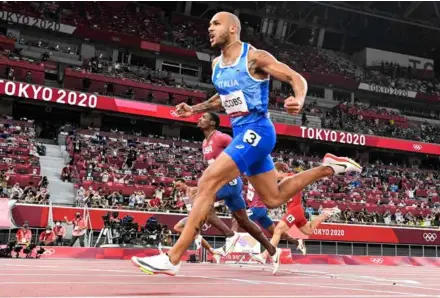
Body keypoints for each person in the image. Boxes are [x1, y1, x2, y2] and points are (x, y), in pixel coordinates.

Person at [131, 11, 362, 275]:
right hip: (243, 134)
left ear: (233, 29)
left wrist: (299, 98)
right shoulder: (217, 64)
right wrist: (195, 109)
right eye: (209, 24)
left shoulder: (254, 57)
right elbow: (223, 97)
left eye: (216, 23)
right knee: (273, 199)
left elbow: (296, 78)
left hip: (259, 131)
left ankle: (172, 259)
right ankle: (329, 168)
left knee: (208, 181)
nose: (210, 28)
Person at [253, 162, 340, 273]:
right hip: (296, 210)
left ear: (282, 172)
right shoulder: (285, 179)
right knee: (308, 230)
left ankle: (265, 255)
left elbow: (275, 187)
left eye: (275, 173)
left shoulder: (290, 177)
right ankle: (324, 214)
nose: (274, 175)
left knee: (278, 230)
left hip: (294, 210)